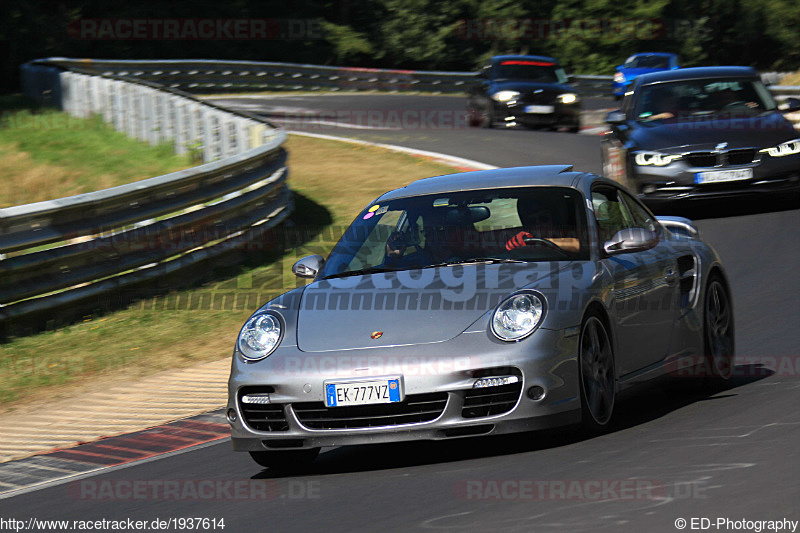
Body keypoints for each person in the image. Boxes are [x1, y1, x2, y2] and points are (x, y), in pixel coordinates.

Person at [505, 196, 580, 253]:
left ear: (554, 218)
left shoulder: (570, 234)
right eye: (532, 221)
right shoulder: (525, 239)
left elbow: (579, 246)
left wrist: (540, 242)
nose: (538, 224)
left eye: (543, 218)